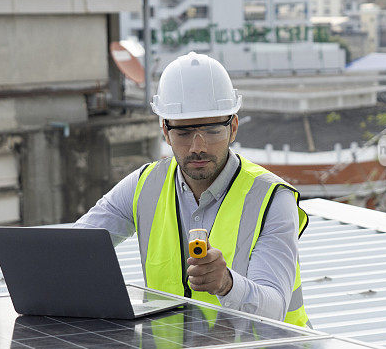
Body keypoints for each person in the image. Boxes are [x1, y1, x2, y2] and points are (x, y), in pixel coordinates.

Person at [74, 52, 309, 326]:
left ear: (233, 128)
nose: (198, 146)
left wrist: (226, 283)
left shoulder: (272, 199)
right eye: (184, 133)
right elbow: (74, 249)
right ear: (165, 131)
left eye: (211, 130)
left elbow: (275, 308)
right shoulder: (144, 186)